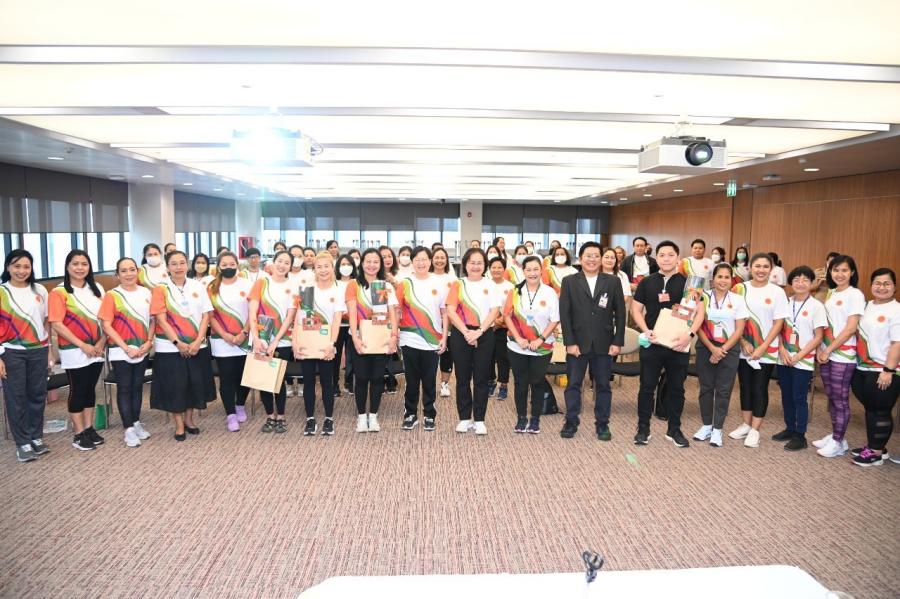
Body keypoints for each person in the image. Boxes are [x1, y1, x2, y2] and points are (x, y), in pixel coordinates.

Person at [631, 240, 705, 448]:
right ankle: (643, 428)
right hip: (652, 342)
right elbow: (635, 310)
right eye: (662, 255)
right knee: (646, 387)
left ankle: (674, 429)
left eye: (670, 255)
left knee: (676, 389)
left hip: (678, 344)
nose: (666, 259)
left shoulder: (690, 284)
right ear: (656, 258)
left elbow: (699, 313)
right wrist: (645, 330)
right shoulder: (647, 282)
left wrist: (689, 335)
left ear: (678, 258)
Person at [559, 242, 626, 440]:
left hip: (604, 343)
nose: (592, 259)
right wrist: (569, 342)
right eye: (588, 255)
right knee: (573, 384)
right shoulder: (569, 281)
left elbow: (621, 314)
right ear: (580, 258)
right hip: (577, 343)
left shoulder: (612, 281)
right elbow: (565, 314)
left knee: (603, 385)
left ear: (601, 259)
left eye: (596, 255)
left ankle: (602, 424)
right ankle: (571, 421)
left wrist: (617, 341)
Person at [149, 250, 216, 441]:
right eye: (174, 264)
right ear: (167, 267)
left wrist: (198, 341)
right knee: (175, 386)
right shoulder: (160, 289)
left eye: (182, 263)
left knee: (194, 384)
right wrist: (178, 343)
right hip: (169, 347)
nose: (178, 267)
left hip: (196, 346)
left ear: (187, 265)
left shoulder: (198, 286)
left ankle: (189, 420)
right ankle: (178, 424)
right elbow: (161, 320)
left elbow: (206, 315)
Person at [729, 252, 790, 448]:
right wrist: (742, 342)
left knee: (759, 388)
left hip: (766, 350)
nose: (761, 270)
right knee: (745, 387)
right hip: (743, 348)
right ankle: (746, 425)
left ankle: (755, 430)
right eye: (757, 266)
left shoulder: (777, 292)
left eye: (765, 266)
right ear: (750, 268)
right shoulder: (739, 289)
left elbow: (779, 323)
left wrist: (763, 347)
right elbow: (732, 318)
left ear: (771, 269)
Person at [48, 250, 106, 451]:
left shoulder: (97, 289)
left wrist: (101, 342)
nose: (80, 268)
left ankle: (89, 428)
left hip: (97, 349)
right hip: (74, 350)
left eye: (84, 264)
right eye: (75, 264)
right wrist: (83, 345)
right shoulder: (59, 292)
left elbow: (106, 319)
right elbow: (57, 323)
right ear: (67, 266)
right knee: (78, 390)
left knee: (90, 389)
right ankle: (78, 433)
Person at [1, 250, 52, 462]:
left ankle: (35, 437)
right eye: (16, 266)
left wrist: (49, 349)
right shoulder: (2, 291)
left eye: (26, 267)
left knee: (37, 395)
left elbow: (46, 321)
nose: (21, 271)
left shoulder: (39, 290)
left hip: (38, 350)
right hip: (11, 352)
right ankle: (22, 442)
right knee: (16, 398)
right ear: (8, 267)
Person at [99, 257, 154, 448]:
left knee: (137, 386)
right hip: (121, 350)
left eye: (132, 269)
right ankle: (128, 429)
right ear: (117, 274)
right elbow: (106, 325)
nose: (129, 274)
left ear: (137, 271)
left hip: (142, 348)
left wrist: (148, 342)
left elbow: (153, 320)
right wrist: (125, 347)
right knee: (124, 387)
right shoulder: (112, 295)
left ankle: (136, 422)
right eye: (124, 271)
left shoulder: (146, 292)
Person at [814, 255, 865, 458]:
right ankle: (838, 437)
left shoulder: (855, 294)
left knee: (840, 398)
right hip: (827, 353)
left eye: (844, 270)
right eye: (836, 270)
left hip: (843, 355)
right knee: (832, 397)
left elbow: (851, 328)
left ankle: (837, 441)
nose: (840, 274)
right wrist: (821, 349)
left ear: (852, 272)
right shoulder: (832, 292)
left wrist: (829, 349)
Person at [446, 248, 501, 434]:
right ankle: (464, 418)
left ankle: (479, 419)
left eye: (479, 263)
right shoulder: (458, 284)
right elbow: (451, 310)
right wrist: (466, 332)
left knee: (481, 378)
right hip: (461, 333)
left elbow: (494, 311)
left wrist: (479, 332)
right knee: (462, 377)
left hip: (484, 333)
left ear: (485, 265)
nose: (476, 266)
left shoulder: (490, 285)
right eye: (472, 262)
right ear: (465, 264)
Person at [772, 266, 828, 451]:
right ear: (791, 283)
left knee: (799, 397)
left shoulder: (817, 306)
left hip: (802, 359)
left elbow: (818, 337)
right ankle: (789, 428)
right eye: (796, 279)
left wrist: (799, 355)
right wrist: (781, 349)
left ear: (812, 283)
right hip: (784, 357)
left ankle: (800, 435)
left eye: (805, 280)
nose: (800, 283)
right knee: (786, 395)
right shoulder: (785, 303)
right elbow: (778, 329)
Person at [503, 255, 560, 434]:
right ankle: (521, 417)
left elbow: (555, 320)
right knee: (520, 383)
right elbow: (507, 316)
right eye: (528, 269)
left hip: (542, 347)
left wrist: (540, 339)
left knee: (537, 382)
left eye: (536, 269)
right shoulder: (515, 291)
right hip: (517, 346)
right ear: (523, 271)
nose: (532, 273)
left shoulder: (549, 292)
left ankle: (535, 418)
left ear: (541, 271)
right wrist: (518, 338)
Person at [849, 268, 899, 466]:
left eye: (887, 283)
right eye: (877, 283)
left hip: (884, 369)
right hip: (863, 367)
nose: (881, 287)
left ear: (894, 287)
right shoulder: (866, 306)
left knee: (881, 410)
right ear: (871, 285)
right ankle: (876, 446)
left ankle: (875, 453)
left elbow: (897, 343)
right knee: (870, 408)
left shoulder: (896, 310)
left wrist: (888, 370)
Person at [694, 263, 748, 447]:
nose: (723, 280)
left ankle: (718, 429)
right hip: (705, 347)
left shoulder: (738, 300)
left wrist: (721, 349)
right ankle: (706, 425)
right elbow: (698, 325)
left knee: (724, 390)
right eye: (720, 276)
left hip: (729, 349)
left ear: (731, 280)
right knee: (706, 388)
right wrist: (712, 348)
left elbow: (739, 329)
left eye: (727, 277)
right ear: (713, 279)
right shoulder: (703, 296)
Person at [395, 247, 448, 431]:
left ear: (430, 261)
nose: (421, 263)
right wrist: (394, 334)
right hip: (409, 338)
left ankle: (429, 414)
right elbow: (397, 310)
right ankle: (410, 414)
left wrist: (444, 337)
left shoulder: (439, 283)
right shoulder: (405, 283)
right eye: (417, 259)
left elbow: (444, 312)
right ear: (412, 262)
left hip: (433, 340)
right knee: (411, 380)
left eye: (424, 259)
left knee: (429, 380)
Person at [346, 248, 399, 433]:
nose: (372, 265)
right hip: (360, 338)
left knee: (377, 378)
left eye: (376, 261)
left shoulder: (385, 286)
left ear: (381, 264)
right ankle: (362, 417)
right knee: (361, 378)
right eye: (368, 261)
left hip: (381, 337)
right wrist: (355, 337)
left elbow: (393, 314)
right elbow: (352, 313)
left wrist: (394, 337)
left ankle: (373, 416)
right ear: (362, 263)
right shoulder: (354, 285)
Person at [295, 252, 345, 436]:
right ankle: (310, 419)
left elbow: (336, 320)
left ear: (332, 268)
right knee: (308, 381)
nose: (323, 270)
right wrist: (295, 342)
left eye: (326, 266)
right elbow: (300, 319)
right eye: (319, 267)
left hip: (326, 344)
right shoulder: (307, 290)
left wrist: (332, 344)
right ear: (314, 269)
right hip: (307, 343)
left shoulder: (337, 291)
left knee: (327, 382)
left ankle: (329, 418)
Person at [248, 250, 298, 434]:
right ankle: (270, 416)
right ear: (273, 261)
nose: (282, 265)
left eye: (286, 262)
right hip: (261, 339)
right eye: (280, 261)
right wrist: (256, 338)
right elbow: (252, 312)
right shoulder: (262, 282)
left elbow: (290, 316)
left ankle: (281, 416)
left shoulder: (293, 286)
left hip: (282, 341)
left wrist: (276, 341)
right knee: (264, 380)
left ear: (290, 266)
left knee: (279, 380)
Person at [207, 251, 253, 432]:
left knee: (245, 376)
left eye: (232, 264)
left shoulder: (247, 284)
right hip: (221, 340)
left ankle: (240, 404)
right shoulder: (212, 287)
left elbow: (253, 312)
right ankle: (230, 414)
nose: (228, 267)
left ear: (237, 265)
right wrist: (225, 335)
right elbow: (210, 316)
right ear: (218, 267)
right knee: (226, 377)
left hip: (245, 338)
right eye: (224, 265)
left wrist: (244, 332)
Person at [431, 247, 456, 398]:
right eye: (436, 257)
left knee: (447, 354)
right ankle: (428, 383)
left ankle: (444, 384)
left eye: (442, 258)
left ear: (447, 260)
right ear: (431, 259)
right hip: (431, 322)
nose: (439, 260)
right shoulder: (426, 278)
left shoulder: (452, 280)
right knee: (430, 355)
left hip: (449, 323)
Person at [488, 256, 513, 401]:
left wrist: (498, 321)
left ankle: (503, 385)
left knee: (503, 357)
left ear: (504, 269)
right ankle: (490, 381)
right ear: (489, 269)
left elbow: (511, 308)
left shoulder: (510, 287)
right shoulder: (485, 284)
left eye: (499, 267)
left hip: (504, 327)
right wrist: (491, 322)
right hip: (487, 327)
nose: (496, 270)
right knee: (488, 356)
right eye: (493, 267)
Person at [378, 245, 401, 394]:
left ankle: (391, 379)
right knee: (380, 348)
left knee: (392, 350)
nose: (387, 259)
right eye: (383, 257)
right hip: (379, 318)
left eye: (389, 256)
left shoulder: (399, 275)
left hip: (396, 317)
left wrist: (395, 283)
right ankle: (381, 379)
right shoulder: (374, 276)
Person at [333, 254, 357, 396]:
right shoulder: (333, 283)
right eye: (343, 264)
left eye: (349, 264)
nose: (346, 267)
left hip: (353, 324)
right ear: (338, 267)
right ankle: (334, 385)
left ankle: (349, 383)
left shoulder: (357, 283)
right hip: (337, 325)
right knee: (335, 357)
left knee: (352, 357)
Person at [601, 247, 632, 314]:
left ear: (616, 260)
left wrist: (614, 308)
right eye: (606, 257)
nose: (609, 260)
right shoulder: (594, 274)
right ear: (601, 258)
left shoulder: (622, 275)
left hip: (615, 311)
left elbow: (625, 295)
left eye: (612, 258)